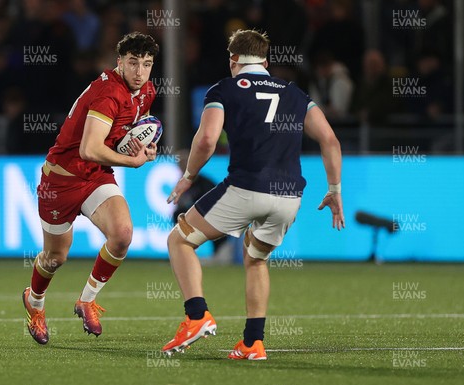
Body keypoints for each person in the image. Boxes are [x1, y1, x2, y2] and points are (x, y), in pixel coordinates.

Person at [162, 29, 345, 360]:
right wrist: (334, 190)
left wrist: (188, 176)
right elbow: (330, 140)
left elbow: (207, 140)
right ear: (266, 60)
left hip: (247, 186)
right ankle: (252, 342)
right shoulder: (295, 93)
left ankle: (196, 315)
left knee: (180, 240)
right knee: (256, 258)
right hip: (290, 195)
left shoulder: (225, 89)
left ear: (233, 60)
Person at [22, 31, 159, 344]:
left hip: (95, 176)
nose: (140, 71)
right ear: (119, 63)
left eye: (147, 64)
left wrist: (145, 146)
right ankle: (35, 301)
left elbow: (141, 125)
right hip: (61, 180)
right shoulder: (108, 94)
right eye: (133, 63)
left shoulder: (146, 90)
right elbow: (88, 148)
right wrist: (134, 163)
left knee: (122, 234)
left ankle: (86, 300)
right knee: (56, 257)